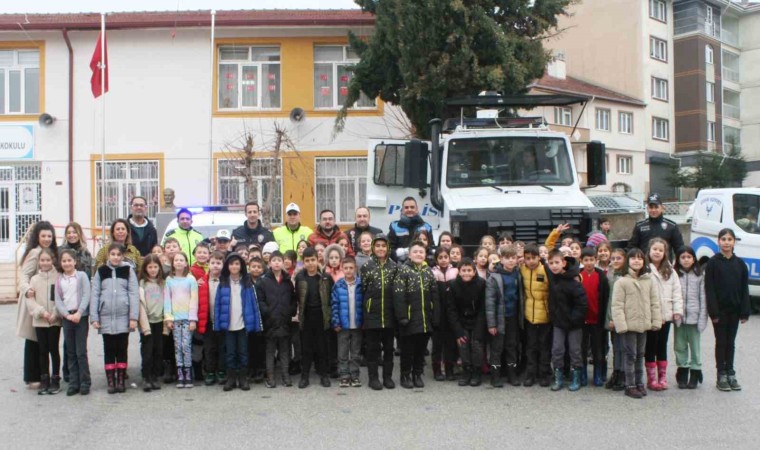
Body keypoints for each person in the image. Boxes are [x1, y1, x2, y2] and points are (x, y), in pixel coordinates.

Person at [611, 248, 662, 399]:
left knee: (640, 355)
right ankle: (630, 384)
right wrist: (621, 325)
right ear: (628, 261)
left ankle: (639, 382)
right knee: (630, 355)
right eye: (633, 258)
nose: (637, 261)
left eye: (640, 258)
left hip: (643, 324)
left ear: (644, 261)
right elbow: (617, 305)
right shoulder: (622, 281)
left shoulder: (648, 280)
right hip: (628, 326)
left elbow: (654, 302)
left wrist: (656, 320)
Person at [705, 228, 751, 392]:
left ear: (734, 242)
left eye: (729, 239)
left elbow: (744, 289)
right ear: (718, 241)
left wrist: (745, 311)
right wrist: (714, 312)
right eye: (723, 239)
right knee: (721, 342)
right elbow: (709, 289)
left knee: (731, 343)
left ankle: (731, 372)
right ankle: (721, 374)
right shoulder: (713, 263)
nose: (726, 242)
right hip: (720, 312)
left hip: (735, 310)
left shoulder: (740, 264)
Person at [90, 243, 139, 394]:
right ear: (108, 255)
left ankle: (120, 379)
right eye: (113, 254)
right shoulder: (101, 271)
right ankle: (110, 380)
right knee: (109, 348)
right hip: (106, 316)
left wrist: (133, 317)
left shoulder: (128, 270)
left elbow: (133, 294)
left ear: (123, 256)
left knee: (122, 348)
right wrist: (94, 317)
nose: (116, 257)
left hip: (123, 316)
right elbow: (95, 294)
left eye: (118, 255)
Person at [17, 221, 59, 390]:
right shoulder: (35, 252)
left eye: (49, 236)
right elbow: (24, 275)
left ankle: (42, 375)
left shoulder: (50, 252)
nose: (47, 239)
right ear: (37, 236)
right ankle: (32, 376)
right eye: (43, 236)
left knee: (42, 341)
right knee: (33, 339)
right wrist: (27, 290)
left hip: (46, 301)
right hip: (33, 300)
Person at [214, 252, 263, 392]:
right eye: (231, 264)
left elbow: (254, 305)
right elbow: (218, 305)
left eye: (237, 263)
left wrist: (256, 325)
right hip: (228, 326)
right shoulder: (223, 283)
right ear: (227, 266)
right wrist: (217, 324)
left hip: (242, 325)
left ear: (241, 266)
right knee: (230, 353)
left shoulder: (247, 283)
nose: (234, 266)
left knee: (243, 352)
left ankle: (243, 378)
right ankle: (230, 378)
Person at [394, 240, 437, 389]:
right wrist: (402, 317)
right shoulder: (403, 271)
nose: (418, 254)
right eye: (415, 252)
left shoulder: (428, 272)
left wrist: (435, 315)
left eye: (421, 252)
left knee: (420, 350)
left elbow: (434, 295)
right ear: (410, 254)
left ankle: (417, 374)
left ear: (425, 255)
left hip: (425, 319)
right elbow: (399, 296)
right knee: (407, 350)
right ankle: (405, 375)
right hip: (409, 319)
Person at [360, 234, 398, 390]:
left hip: (389, 314)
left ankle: (387, 377)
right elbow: (363, 289)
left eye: (383, 246)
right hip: (372, 315)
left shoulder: (394, 267)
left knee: (389, 348)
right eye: (378, 246)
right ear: (373, 248)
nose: (381, 248)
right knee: (373, 349)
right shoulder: (367, 267)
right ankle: (373, 378)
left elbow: (398, 291)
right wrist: (366, 309)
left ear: (388, 248)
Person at [547, 251, 588, 392]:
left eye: (557, 262)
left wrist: (574, 319)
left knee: (575, 351)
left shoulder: (574, 281)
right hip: (558, 322)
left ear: (564, 263)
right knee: (557, 350)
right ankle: (558, 377)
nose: (554, 266)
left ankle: (576, 377)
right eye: (551, 263)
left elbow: (582, 304)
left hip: (573, 324)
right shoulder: (552, 277)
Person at [645, 238, 683, 391]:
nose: (657, 252)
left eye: (660, 250)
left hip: (666, 314)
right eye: (655, 249)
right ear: (649, 250)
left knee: (662, 346)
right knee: (650, 346)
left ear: (665, 253)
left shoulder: (670, 270)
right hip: (651, 315)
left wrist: (677, 310)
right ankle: (651, 378)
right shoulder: (645, 269)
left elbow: (677, 291)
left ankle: (662, 376)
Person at [54, 249, 92, 396]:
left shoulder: (81, 276)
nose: (67, 263)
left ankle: (85, 382)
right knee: (70, 352)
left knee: (80, 351)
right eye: (64, 261)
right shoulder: (59, 280)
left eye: (69, 260)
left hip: (80, 317)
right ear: (60, 263)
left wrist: (79, 312)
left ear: (75, 261)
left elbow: (86, 295)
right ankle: (73, 382)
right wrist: (66, 315)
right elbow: (58, 300)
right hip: (67, 318)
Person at [258, 251, 297, 388]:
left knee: (285, 350)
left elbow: (293, 299)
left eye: (279, 260)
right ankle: (270, 376)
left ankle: (285, 375)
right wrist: (267, 312)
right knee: (270, 351)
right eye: (274, 260)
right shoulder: (263, 281)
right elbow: (260, 301)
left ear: (283, 263)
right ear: (269, 263)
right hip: (270, 322)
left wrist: (290, 312)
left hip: (285, 321)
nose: (276, 263)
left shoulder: (287, 281)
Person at [295, 247, 333, 389]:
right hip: (307, 316)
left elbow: (330, 297)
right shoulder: (300, 277)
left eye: (313, 260)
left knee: (322, 347)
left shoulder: (325, 277)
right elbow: (296, 297)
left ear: (318, 260)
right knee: (306, 348)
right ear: (303, 262)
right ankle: (304, 376)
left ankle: (324, 375)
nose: (310, 263)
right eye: (307, 261)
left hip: (321, 316)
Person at [25, 248, 61, 395]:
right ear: (39, 262)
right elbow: (30, 301)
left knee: (54, 349)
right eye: (42, 260)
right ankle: (44, 378)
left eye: (48, 260)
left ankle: (55, 379)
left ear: (52, 261)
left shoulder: (58, 277)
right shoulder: (34, 279)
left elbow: (61, 298)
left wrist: (55, 313)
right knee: (42, 350)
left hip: (54, 320)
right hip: (40, 321)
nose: (45, 263)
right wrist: (41, 312)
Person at [486, 245, 524, 387]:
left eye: (513, 258)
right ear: (501, 259)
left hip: (513, 317)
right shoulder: (494, 278)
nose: (510, 261)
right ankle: (495, 376)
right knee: (497, 347)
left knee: (512, 346)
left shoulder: (518, 274)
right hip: (498, 318)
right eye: (507, 258)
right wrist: (491, 324)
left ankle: (512, 374)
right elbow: (489, 303)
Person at [446, 258, 487, 387]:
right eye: (463, 270)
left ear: (474, 271)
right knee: (463, 344)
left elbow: (483, 309)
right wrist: (458, 331)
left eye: (469, 270)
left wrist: (480, 328)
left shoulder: (481, 284)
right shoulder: (453, 285)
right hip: (461, 320)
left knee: (476, 345)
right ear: (459, 271)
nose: (466, 273)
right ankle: (466, 370)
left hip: (477, 320)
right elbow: (451, 310)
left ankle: (476, 372)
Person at [164, 252, 200, 388]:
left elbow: (194, 300)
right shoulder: (169, 280)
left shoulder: (190, 279)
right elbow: (167, 300)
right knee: (177, 346)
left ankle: (188, 373)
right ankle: (180, 373)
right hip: (174, 319)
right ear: (173, 263)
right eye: (176, 260)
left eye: (181, 260)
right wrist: (168, 318)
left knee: (186, 346)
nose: (179, 262)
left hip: (187, 319)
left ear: (186, 263)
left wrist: (192, 319)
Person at [674, 246, 707, 390]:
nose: (686, 260)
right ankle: (682, 371)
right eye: (683, 257)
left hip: (695, 318)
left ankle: (695, 371)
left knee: (695, 347)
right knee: (679, 347)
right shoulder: (675, 275)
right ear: (678, 259)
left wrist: (702, 319)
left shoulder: (700, 276)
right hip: (679, 318)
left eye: (689, 257)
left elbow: (703, 298)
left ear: (694, 259)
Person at [520, 244, 552, 387]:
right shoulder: (522, 270)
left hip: (545, 316)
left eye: (534, 258)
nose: (531, 261)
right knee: (531, 347)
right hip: (529, 315)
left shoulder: (545, 270)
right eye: (528, 258)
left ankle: (544, 374)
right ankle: (530, 374)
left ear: (539, 257)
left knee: (544, 347)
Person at [578, 247, 610, 387]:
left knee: (598, 349)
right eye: (586, 260)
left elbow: (605, 298)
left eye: (591, 260)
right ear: (581, 261)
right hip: (582, 320)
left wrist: (604, 319)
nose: (589, 263)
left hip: (597, 319)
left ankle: (598, 374)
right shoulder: (578, 275)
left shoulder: (601, 276)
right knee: (582, 348)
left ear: (596, 260)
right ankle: (583, 373)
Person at [331, 257, 364, 388]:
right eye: (346, 268)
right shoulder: (338, 285)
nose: (349, 270)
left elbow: (363, 305)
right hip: (343, 326)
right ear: (342, 269)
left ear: (355, 268)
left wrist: (363, 322)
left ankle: (354, 375)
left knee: (355, 352)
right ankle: (344, 375)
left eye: (351, 268)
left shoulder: (361, 284)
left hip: (357, 325)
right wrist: (336, 322)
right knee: (343, 353)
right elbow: (334, 305)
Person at [137, 254, 166, 392]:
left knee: (158, 349)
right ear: (145, 268)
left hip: (159, 320)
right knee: (147, 350)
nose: (153, 270)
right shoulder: (142, 283)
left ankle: (155, 376)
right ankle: (146, 376)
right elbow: (140, 303)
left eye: (155, 267)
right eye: (150, 267)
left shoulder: (162, 283)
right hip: (147, 321)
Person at [628, 192, 685, 257]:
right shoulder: (640, 226)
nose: (653, 210)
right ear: (647, 208)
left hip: (665, 265)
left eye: (656, 207)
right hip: (645, 265)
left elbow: (679, 249)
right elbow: (632, 247)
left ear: (662, 208)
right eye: (651, 207)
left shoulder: (672, 226)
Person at [431, 247, 458, 382]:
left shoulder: (455, 272)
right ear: (436, 259)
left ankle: (449, 369)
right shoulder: (433, 273)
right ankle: (436, 370)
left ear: (449, 258)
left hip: (451, 313)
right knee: (437, 344)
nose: (443, 260)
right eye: (440, 257)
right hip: (437, 313)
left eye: (445, 257)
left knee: (450, 344)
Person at [200, 251, 226, 386]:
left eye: (218, 263)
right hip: (208, 321)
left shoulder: (226, 281)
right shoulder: (202, 282)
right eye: (213, 263)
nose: (215, 266)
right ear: (208, 265)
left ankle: (221, 370)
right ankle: (210, 371)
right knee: (209, 347)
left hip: (222, 321)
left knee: (222, 347)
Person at [604, 248, 627, 391]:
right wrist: (609, 319)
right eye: (613, 259)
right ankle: (616, 372)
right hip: (611, 315)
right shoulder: (610, 275)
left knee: (623, 347)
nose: (615, 261)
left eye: (618, 258)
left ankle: (623, 374)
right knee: (616, 347)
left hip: (623, 318)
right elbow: (609, 300)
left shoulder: (627, 276)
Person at [388, 197, 432, 262]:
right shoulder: (394, 227)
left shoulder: (426, 227)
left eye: (412, 207)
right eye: (406, 207)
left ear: (417, 209)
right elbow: (390, 249)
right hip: (400, 265)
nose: (409, 209)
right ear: (402, 210)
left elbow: (430, 247)